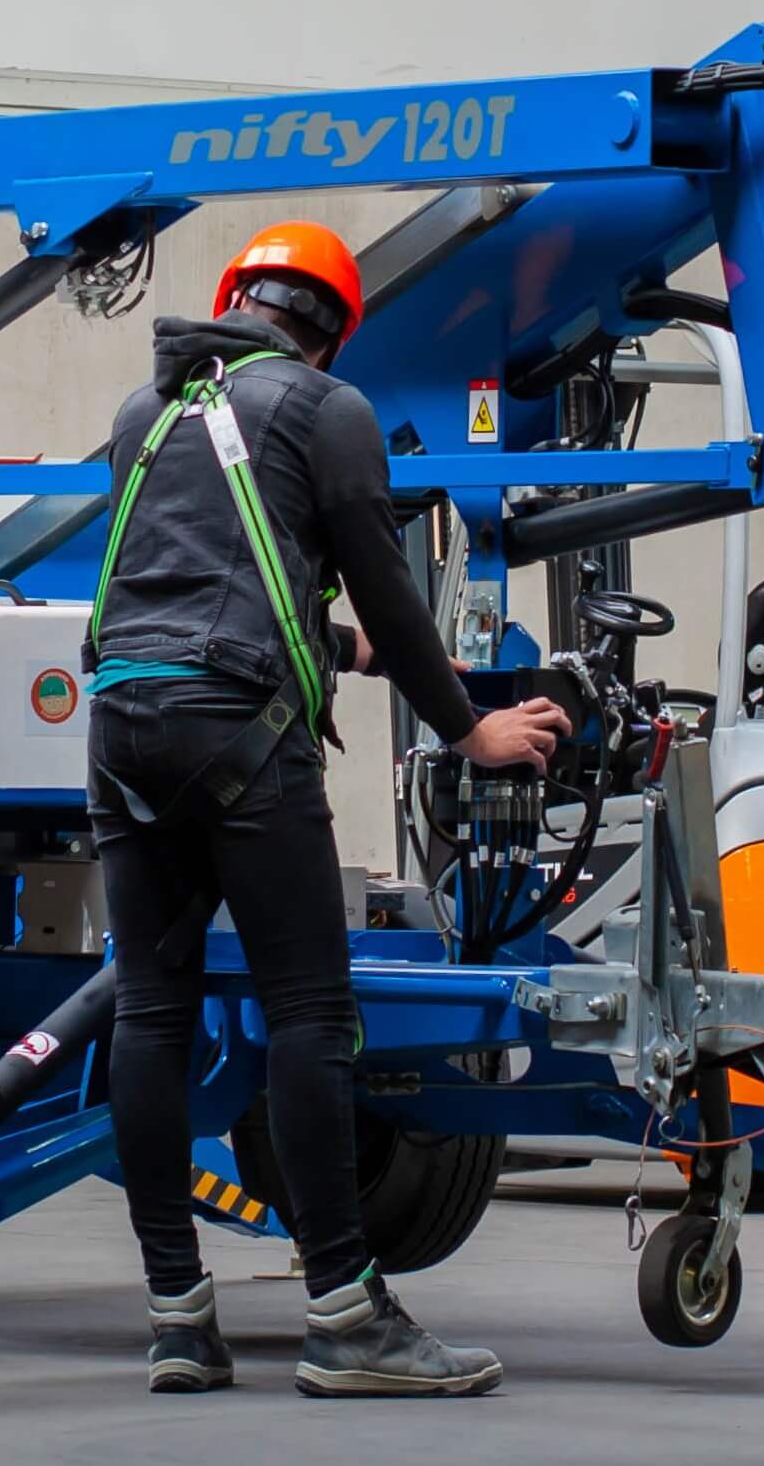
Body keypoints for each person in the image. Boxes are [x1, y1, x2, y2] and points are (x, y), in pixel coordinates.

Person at [84, 220, 571, 1396]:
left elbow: (224, 577)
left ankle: (174, 1316)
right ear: (332, 328)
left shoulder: (143, 415)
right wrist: (470, 728)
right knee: (309, 1012)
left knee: (151, 1012)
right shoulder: (325, 408)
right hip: (240, 736)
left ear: (234, 301)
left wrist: (345, 653)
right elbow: (384, 587)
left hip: (123, 724)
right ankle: (346, 1315)